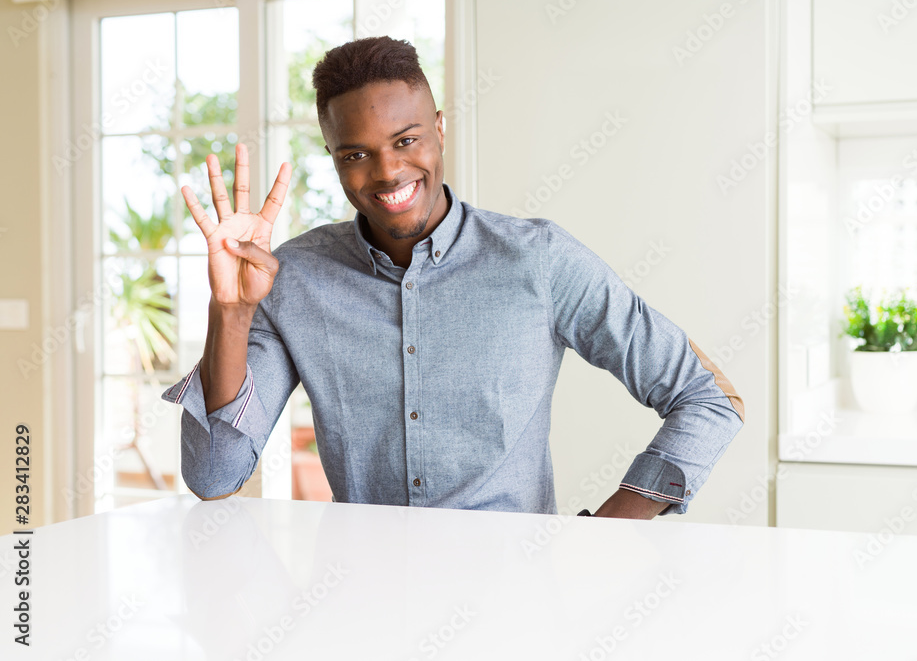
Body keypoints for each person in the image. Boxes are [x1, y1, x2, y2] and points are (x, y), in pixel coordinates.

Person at [161, 36, 745, 520]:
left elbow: (707, 399)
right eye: (355, 155)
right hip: (360, 604)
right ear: (334, 157)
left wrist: (612, 527)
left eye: (406, 140)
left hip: (514, 608)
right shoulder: (292, 279)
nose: (387, 172)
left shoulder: (538, 259)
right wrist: (230, 313)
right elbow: (214, 477)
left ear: (439, 128)